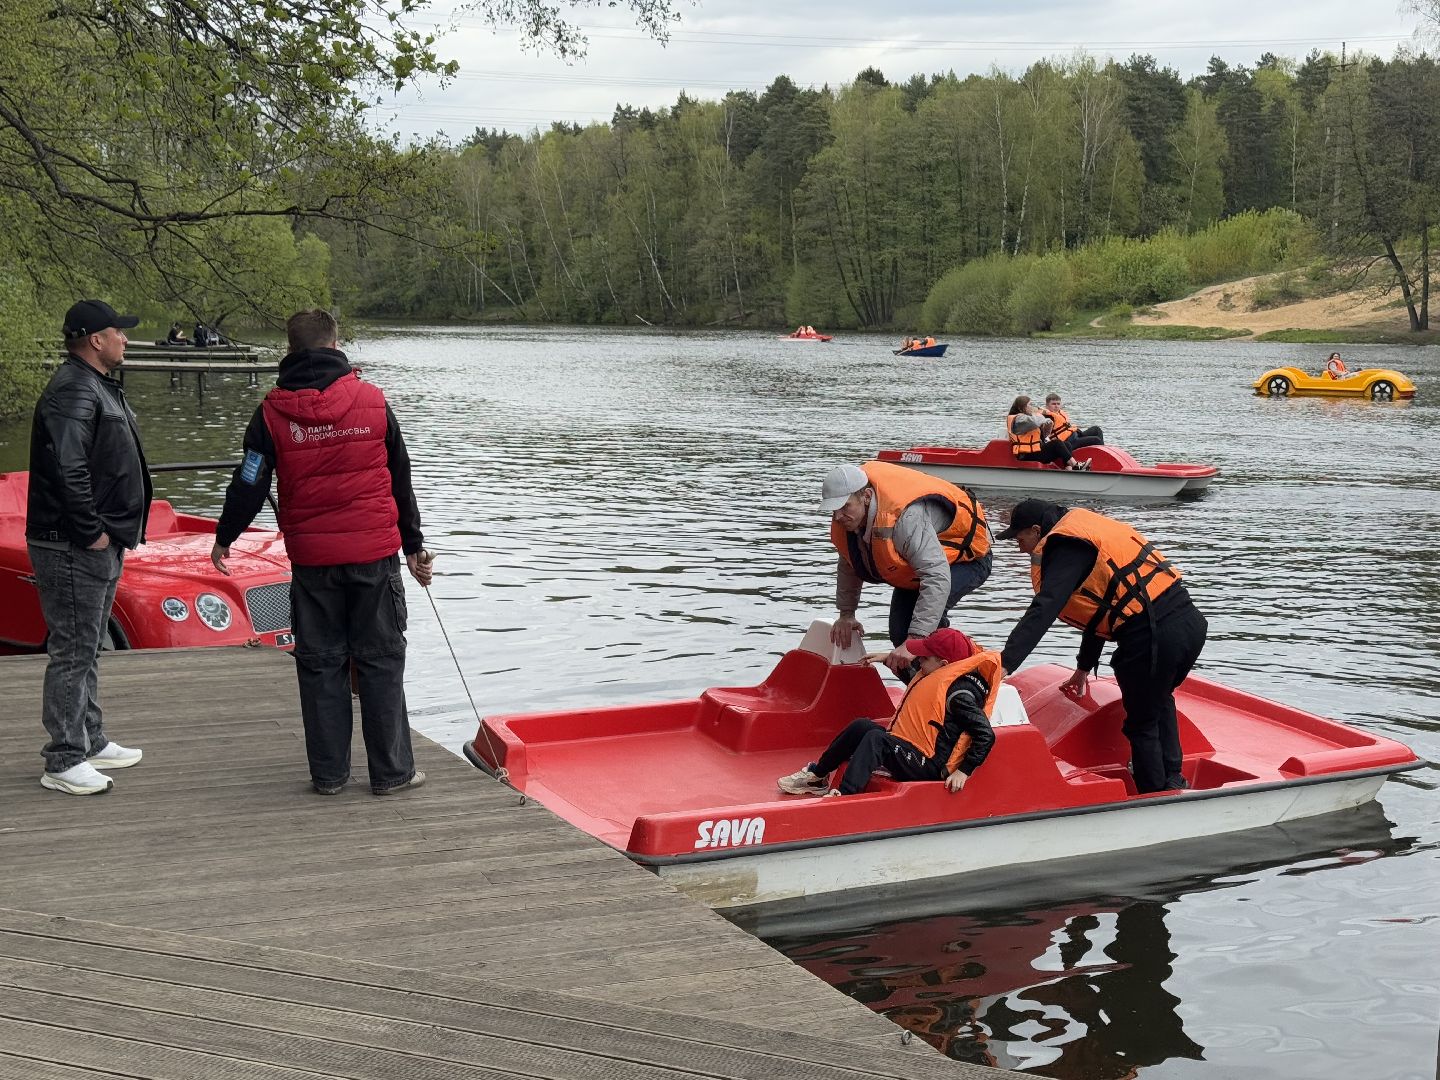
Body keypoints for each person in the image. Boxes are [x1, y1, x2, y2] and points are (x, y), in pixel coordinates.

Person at [211, 309, 432, 796]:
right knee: (381, 659)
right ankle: (392, 773)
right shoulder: (372, 401)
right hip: (373, 558)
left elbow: (249, 481)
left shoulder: (270, 413)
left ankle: (330, 776)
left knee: (320, 664)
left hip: (312, 564)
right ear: (335, 345)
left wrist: (226, 534)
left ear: (289, 352)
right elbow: (401, 477)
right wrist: (414, 546)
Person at [993, 499, 1208, 794]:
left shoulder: (1066, 547)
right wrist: (1083, 668)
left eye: (1020, 539)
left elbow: (1044, 607)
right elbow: (1103, 610)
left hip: (1155, 636)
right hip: (1188, 624)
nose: (1021, 548)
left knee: (1141, 724)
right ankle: (1173, 779)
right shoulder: (1081, 534)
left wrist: (1006, 662)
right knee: (1158, 700)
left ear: (1036, 529)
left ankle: (1156, 796)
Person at [26, 300, 151, 795]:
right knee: (73, 650)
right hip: (72, 544)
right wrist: (91, 531)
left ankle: (91, 738)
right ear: (95, 340)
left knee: (90, 645)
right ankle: (62, 758)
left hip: (99, 541)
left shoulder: (94, 385)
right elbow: (68, 467)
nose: (125, 338)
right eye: (118, 331)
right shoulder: (73, 390)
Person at [776, 628, 1000, 797]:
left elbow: (985, 735)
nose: (918, 659)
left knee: (877, 740)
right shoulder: (937, 673)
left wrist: (964, 771)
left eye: (924, 657)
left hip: (930, 764)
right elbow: (921, 686)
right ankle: (817, 777)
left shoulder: (960, 696)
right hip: (912, 746)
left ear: (944, 663)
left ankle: (845, 797)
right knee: (862, 726)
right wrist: (887, 659)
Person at [822, 460, 993, 677]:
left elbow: (937, 577)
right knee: (899, 633)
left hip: (966, 560)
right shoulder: (847, 521)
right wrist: (847, 614)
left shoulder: (906, 520)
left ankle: (968, 684)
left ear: (865, 497)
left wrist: (914, 641)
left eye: (845, 507)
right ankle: (920, 691)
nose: (838, 516)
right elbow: (849, 562)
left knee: (921, 637)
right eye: (833, 510)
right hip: (917, 569)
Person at [1007, 396, 1089, 471]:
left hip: (1035, 451)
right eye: (1029, 405)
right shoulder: (1019, 420)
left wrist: (1047, 426)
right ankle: (1075, 465)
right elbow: (1035, 422)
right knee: (1056, 443)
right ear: (1021, 407)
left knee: (1066, 444)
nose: (1031, 407)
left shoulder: (1027, 419)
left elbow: (1043, 435)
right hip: (1026, 455)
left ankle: (1069, 469)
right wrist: (1038, 414)